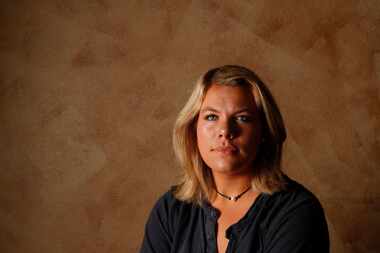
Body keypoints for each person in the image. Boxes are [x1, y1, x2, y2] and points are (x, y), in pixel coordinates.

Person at [139, 65, 330, 253]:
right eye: (212, 117)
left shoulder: (295, 211)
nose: (225, 131)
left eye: (242, 118)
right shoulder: (171, 209)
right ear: (192, 129)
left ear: (264, 130)